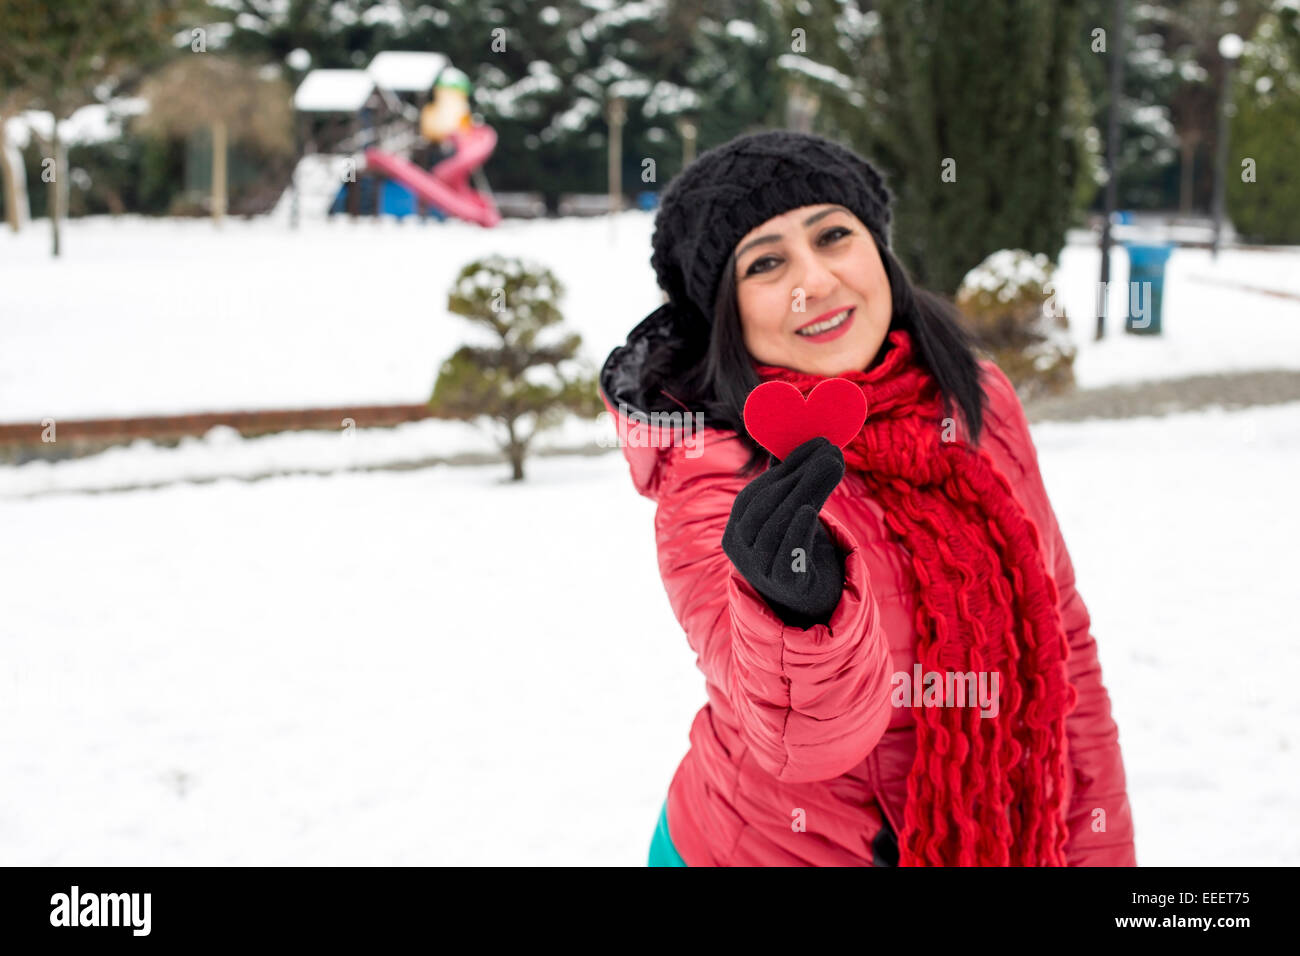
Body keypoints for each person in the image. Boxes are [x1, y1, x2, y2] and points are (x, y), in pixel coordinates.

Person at [600, 129, 1136, 867]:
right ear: (726, 311)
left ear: (879, 253)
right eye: (765, 262)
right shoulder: (708, 467)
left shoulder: (974, 399)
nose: (813, 281)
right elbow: (799, 743)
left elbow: (1063, 643)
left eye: (832, 236)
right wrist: (798, 617)